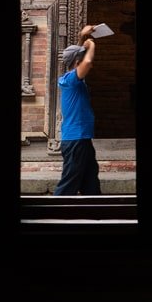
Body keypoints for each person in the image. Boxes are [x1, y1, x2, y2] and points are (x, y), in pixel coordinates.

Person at [53, 24, 103, 196]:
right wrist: (92, 44)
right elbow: (86, 61)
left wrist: (83, 37)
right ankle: (53, 215)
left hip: (82, 139)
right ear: (77, 63)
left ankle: (94, 212)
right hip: (75, 140)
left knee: (90, 181)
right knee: (69, 183)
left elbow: (79, 57)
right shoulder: (71, 80)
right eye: (80, 60)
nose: (90, 62)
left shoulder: (73, 79)